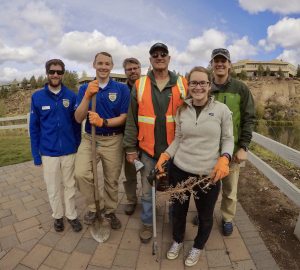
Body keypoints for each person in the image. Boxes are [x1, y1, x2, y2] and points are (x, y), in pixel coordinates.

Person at [155, 66, 234, 267]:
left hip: (208, 174)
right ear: (188, 85)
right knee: (179, 212)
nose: (198, 87)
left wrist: (225, 158)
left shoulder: (222, 110)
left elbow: (228, 139)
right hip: (180, 170)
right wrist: (166, 155)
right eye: (193, 83)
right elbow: (179, 138)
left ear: (209, 85)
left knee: (206, 216)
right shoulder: (181, 109)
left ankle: (198, 246)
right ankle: (178, 240)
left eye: (202, 83)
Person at [123, 42, 188, 243]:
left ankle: (174, 223)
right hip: (148, 151)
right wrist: (130, 148)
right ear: (150, 60)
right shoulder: (140, 85)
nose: (159, 57)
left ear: (169, 59)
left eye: (163, 54)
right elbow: (132, 119)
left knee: (174, 190)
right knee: (148, 191)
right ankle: (147, 224)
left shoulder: (183, 84)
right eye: (155, 55)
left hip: (175, 152)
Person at [193, 48, 256, 236]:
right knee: (204, 186)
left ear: (229, 64)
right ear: (211, 64)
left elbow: (249, 118)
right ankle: (204, 213)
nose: (220, 64)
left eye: (223, 60)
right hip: (206, 151)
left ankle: (227, 218)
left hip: (231, 151)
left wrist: (244, 147)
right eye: (216, 60)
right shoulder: (204, 87)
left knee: (229, 190)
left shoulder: (240, 88)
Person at [74, 52, 130, 230]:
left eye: (107, 63)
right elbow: (78, 117)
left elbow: (124, 117)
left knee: (111, 179)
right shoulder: (85, 88)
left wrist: (103, 122)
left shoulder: (121, 89)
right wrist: (87, 96)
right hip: (90, 138)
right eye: (100, 63)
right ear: (94, 65)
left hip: (113, 139)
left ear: (112, 66)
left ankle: (110, 211)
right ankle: (95, 207)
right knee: (81, 174)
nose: (103, 67)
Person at [30, 59, 82, 232]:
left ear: (63, 74)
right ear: (47, 73)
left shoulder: (71, 96)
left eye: (59, 72)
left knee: (70, 186)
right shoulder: (37, 97)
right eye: (52, 71)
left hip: (69, 151)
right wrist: (36, 155)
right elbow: (34, 128)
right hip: (48, 152)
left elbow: (76, 125)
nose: (55, 75)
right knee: (52, 188)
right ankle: (58, 216)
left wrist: (78, 146)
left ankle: (72, 215)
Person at [122, 57, 142, 215]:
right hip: (129, 139)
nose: (133, 71)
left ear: (140, 69)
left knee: (149, 172)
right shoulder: (122, 91)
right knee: (130, 174)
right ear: (125, 72)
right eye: (129, 69)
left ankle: (151, 199)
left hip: (147, 139)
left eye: (135, 68)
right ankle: (131, 199)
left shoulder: (147, 87)